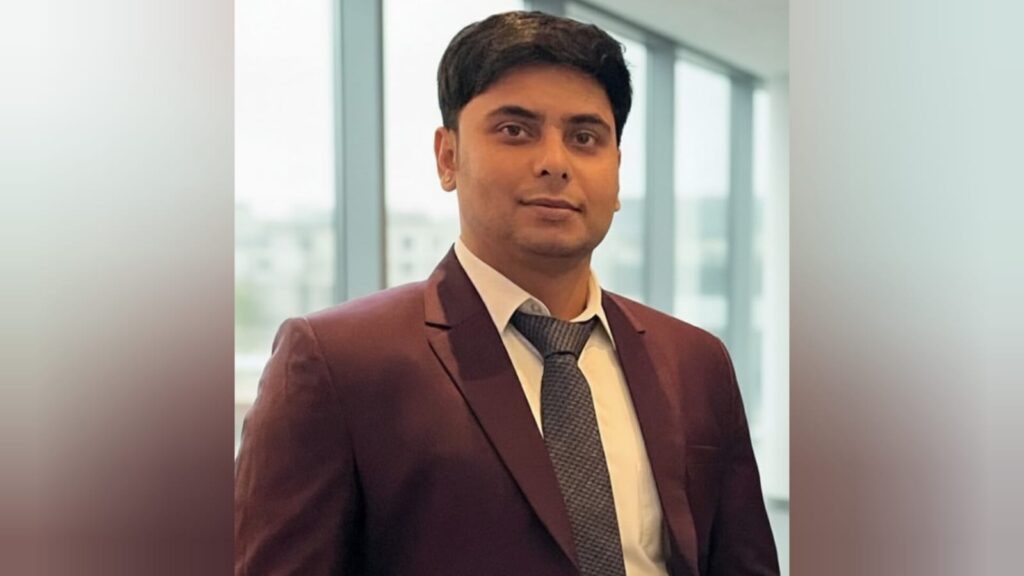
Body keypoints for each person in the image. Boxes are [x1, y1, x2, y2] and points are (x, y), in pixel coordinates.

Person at [235, 10, 779, 576]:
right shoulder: (339, 362)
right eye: (515, 131)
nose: (554, 164)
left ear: (617, 170)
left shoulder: (694, 362)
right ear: (448, 157)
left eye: (585, 138)